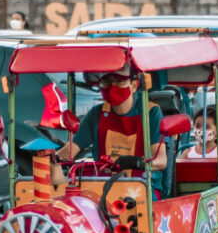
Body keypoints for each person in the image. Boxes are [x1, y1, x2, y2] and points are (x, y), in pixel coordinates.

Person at [53, 66, 167, 195]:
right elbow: (71, 150)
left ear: (134, 86)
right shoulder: (96, 114)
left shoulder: (151, 112)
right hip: (102, 187)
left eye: (119, 81)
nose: (112, 87)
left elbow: (161, 161)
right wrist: (50, 159)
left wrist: (136, 162)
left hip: (142, 187)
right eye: (106, 82)